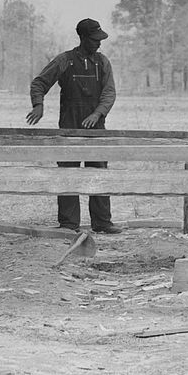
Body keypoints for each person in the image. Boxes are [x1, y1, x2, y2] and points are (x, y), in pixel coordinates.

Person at [26, 18, 123, 234]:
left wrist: (97, 114)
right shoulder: (65, 61)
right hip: (69, 127)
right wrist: (38, 105)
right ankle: (69, 225)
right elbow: (39, 83)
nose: (99, 44)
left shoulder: (103, 62)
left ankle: (102, 223)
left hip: (96, 129)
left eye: (100, 39)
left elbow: (109, 93)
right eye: (95, 39)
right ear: (82, 38)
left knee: (98, 173)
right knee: (68, 175)